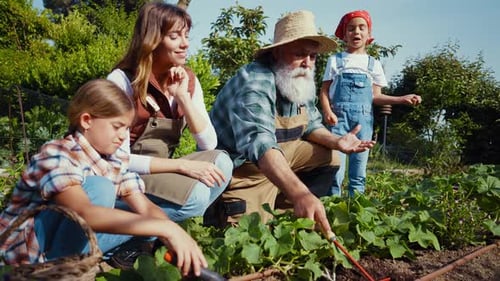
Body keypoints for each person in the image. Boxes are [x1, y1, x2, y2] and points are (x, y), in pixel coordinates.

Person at [0, 79, 207, 277]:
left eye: (127, 128)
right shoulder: (57, 153)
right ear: (87, 120)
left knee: (150, 223)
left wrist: (177, 238)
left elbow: (145, 207)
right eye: (117, 127)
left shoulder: (114, 160)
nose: (123, 136)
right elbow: (84, 214)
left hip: (64, 244)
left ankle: (76, 265)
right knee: (101, 188)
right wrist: (166, 227)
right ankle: (59, 271)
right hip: (21, 256)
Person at [208, 10, 375, 233]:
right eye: (299, 54)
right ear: (276, 52)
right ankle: (285, 199)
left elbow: (312, 124)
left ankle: (287, 208)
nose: (307, 63)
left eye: (313, 56)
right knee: (246, 237)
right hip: (243, 172)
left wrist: (337, 141)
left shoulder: (297, 80)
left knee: (330, 155)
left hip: (277, 162)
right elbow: (260, 142)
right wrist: (301, 193)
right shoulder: (255, 80)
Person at [106, 2, 233, 222]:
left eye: (186, 35)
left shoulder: (188, 80)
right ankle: (129, 232)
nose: (185, 44)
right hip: (123, 177)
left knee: (222, 162)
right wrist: (182, 166)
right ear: (152, 40)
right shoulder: (122, 81)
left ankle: (152, 228)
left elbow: (208, 144)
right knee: (196, 197)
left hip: (159, 173)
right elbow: (119, 161)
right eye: (175, 36)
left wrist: (183, 97)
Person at [319, 10, 422, 197]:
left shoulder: (373, 64)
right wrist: (327, 111)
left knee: (358, 173)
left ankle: (356, 212)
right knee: (335, 172)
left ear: (368, 34)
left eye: (361, 28)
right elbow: (324, 91)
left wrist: (401, 99)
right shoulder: (335, 60)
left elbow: (376, 96)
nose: (356, 32)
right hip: (338, 121)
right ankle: (332, 210)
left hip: (363, 122)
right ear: (344, 34)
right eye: (350, 29)